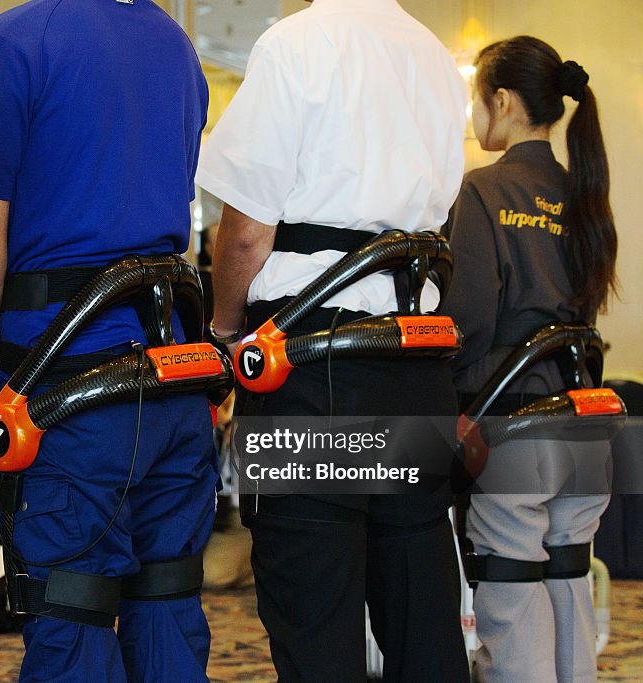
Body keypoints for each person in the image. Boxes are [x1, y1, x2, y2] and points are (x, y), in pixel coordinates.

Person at [196, 0, 470, 680]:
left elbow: (248, 230)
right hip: (412, 364)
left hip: (313, 364)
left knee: (317, 618)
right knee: (420, 613)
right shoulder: (433, 55)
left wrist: (225, 329)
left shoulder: (295, 43)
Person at [0, 1, 214, 680]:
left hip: (67, 387)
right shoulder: (178, 48)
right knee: (167, 607)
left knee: (72, 611)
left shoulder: (8, 43)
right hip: (172, 380)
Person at [440, 36, 618, 683]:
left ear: (504, 100)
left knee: (512, 601)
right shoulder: (584, 190)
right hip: (585, 428)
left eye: (476, 100)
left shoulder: (484, 191)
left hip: (514, 428)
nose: (474, 115)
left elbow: (467, 322)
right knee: (568, 582)